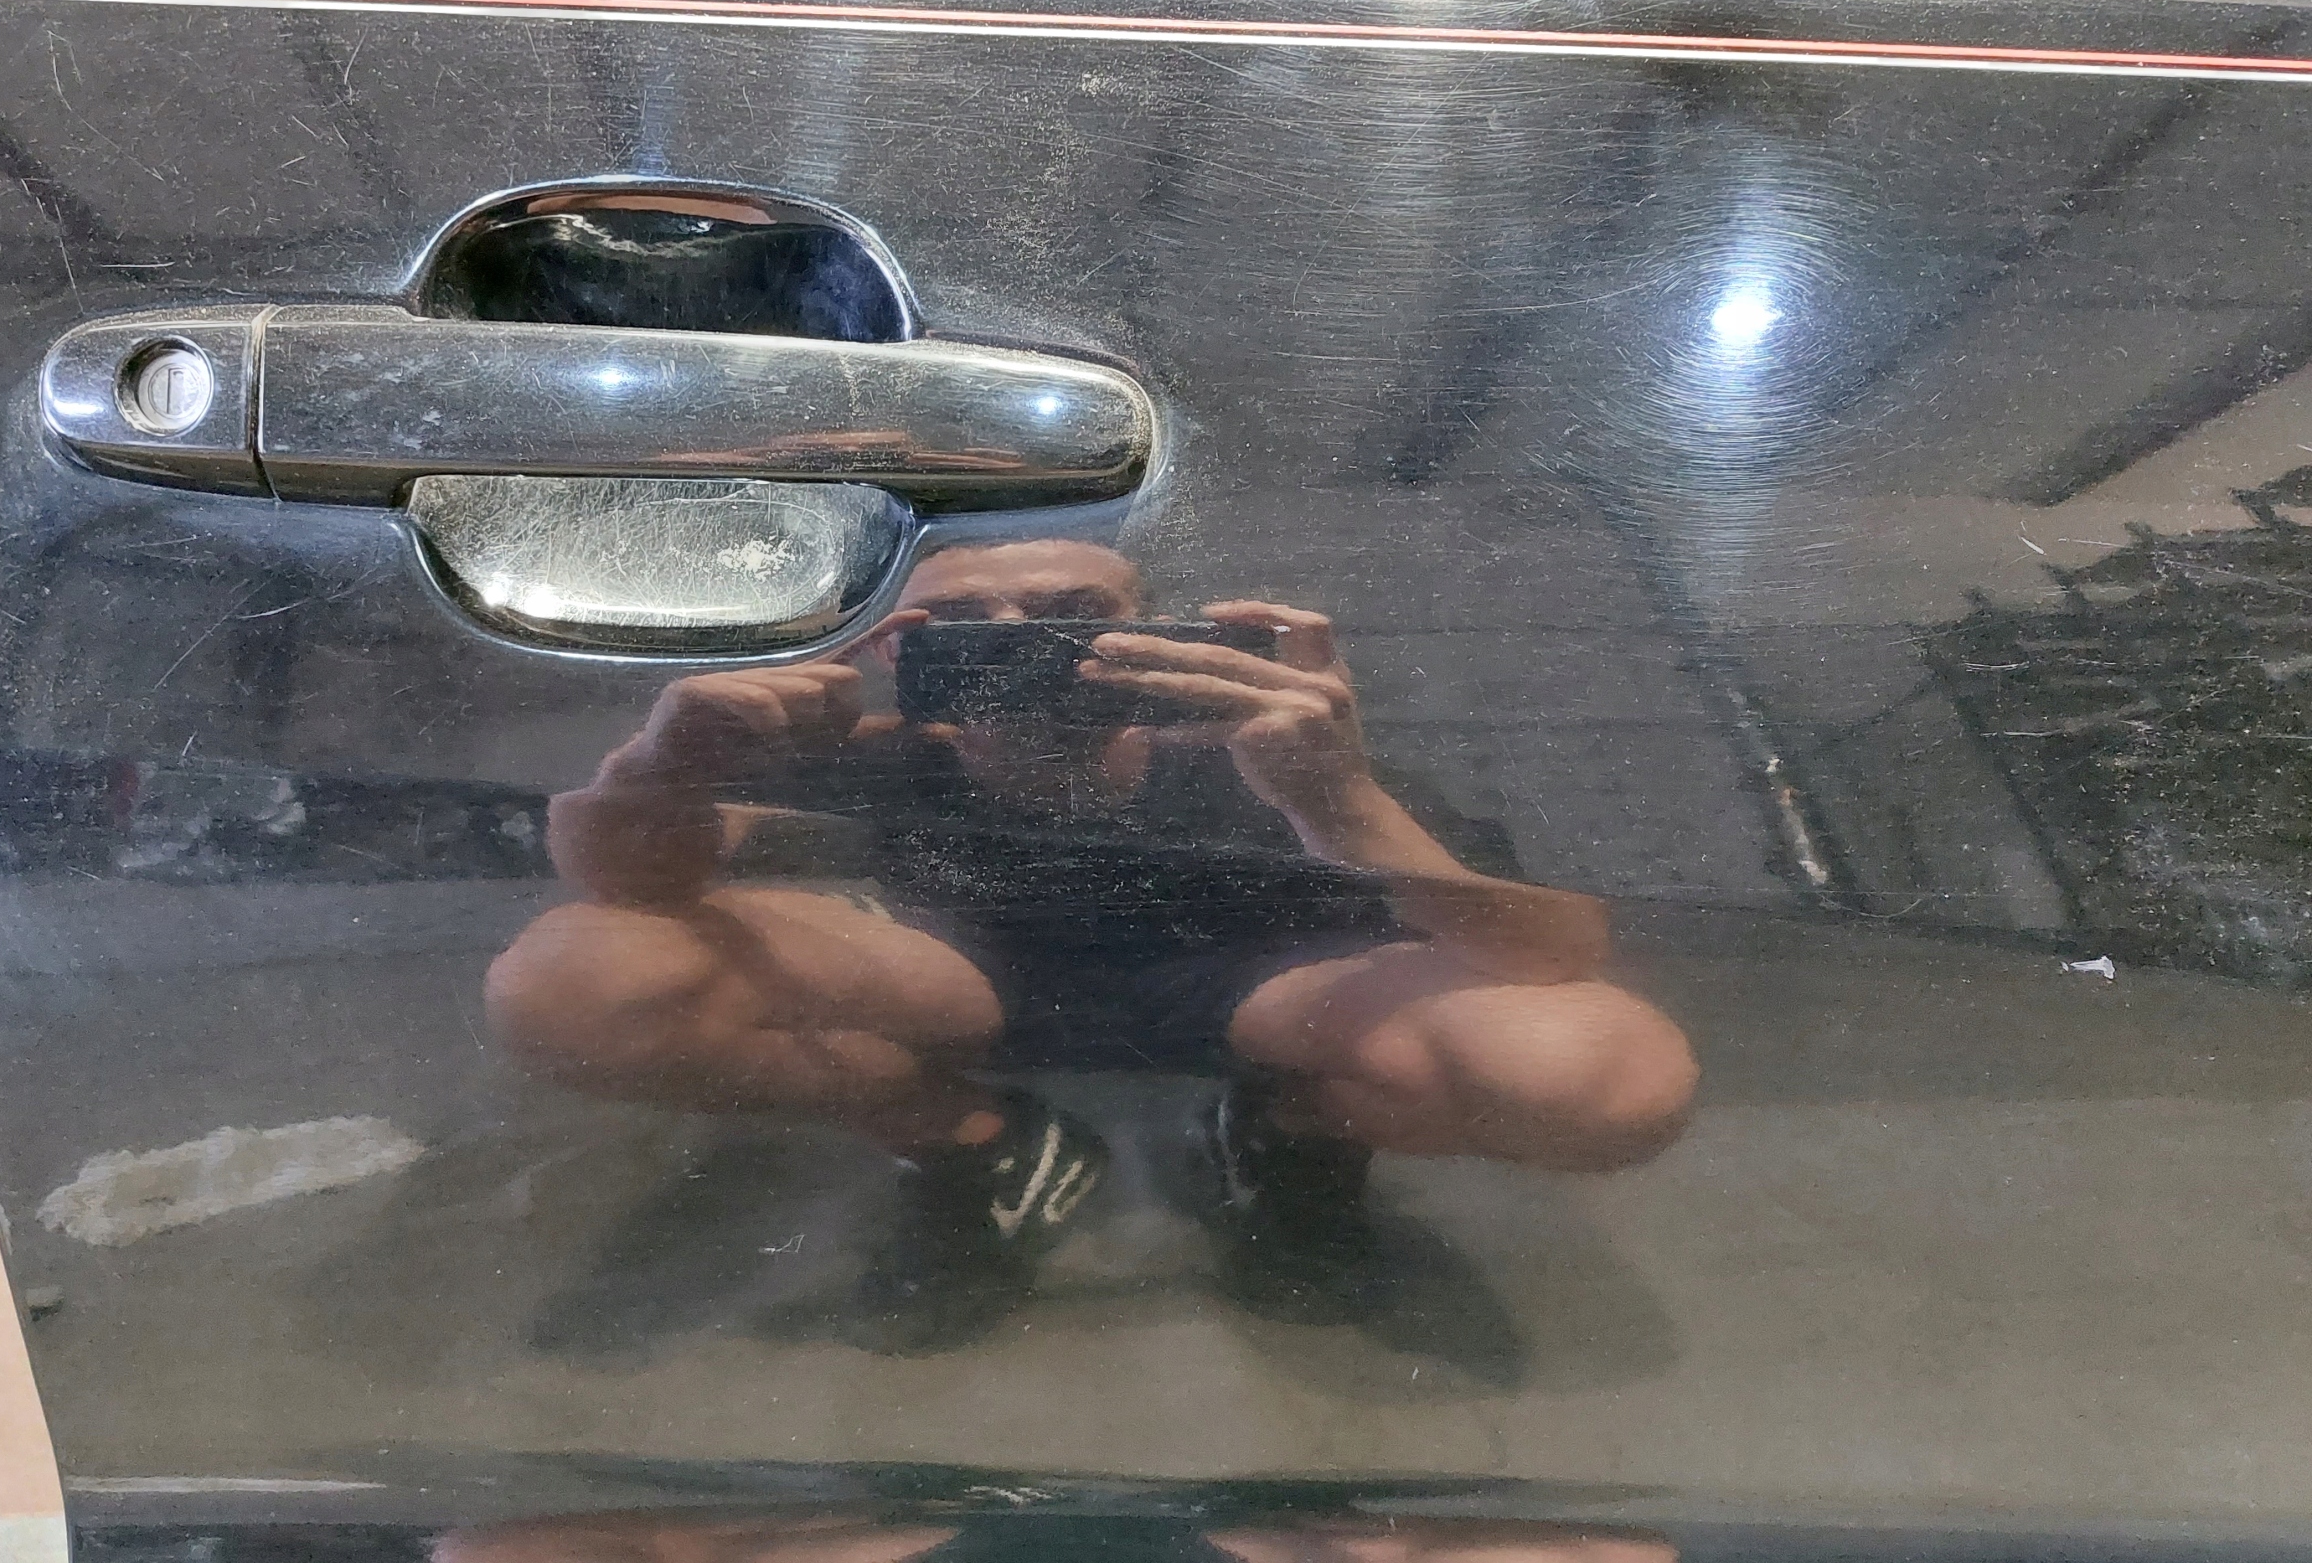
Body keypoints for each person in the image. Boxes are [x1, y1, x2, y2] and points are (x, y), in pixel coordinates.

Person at [487, 538, 1695, 1349]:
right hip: (957, 976)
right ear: (899, 649)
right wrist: (661, 767)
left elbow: (1559, 951)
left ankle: (1290, 1134)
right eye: (964, 624)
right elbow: (616, 887)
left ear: (1156, 635)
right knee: (581, 984)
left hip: (1256, 994)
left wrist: (1337, 798)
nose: (1020, 640)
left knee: (1601, 1079)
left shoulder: (1267, 748)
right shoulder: (856, 752)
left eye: (1073, 618)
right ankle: (970, 1140)